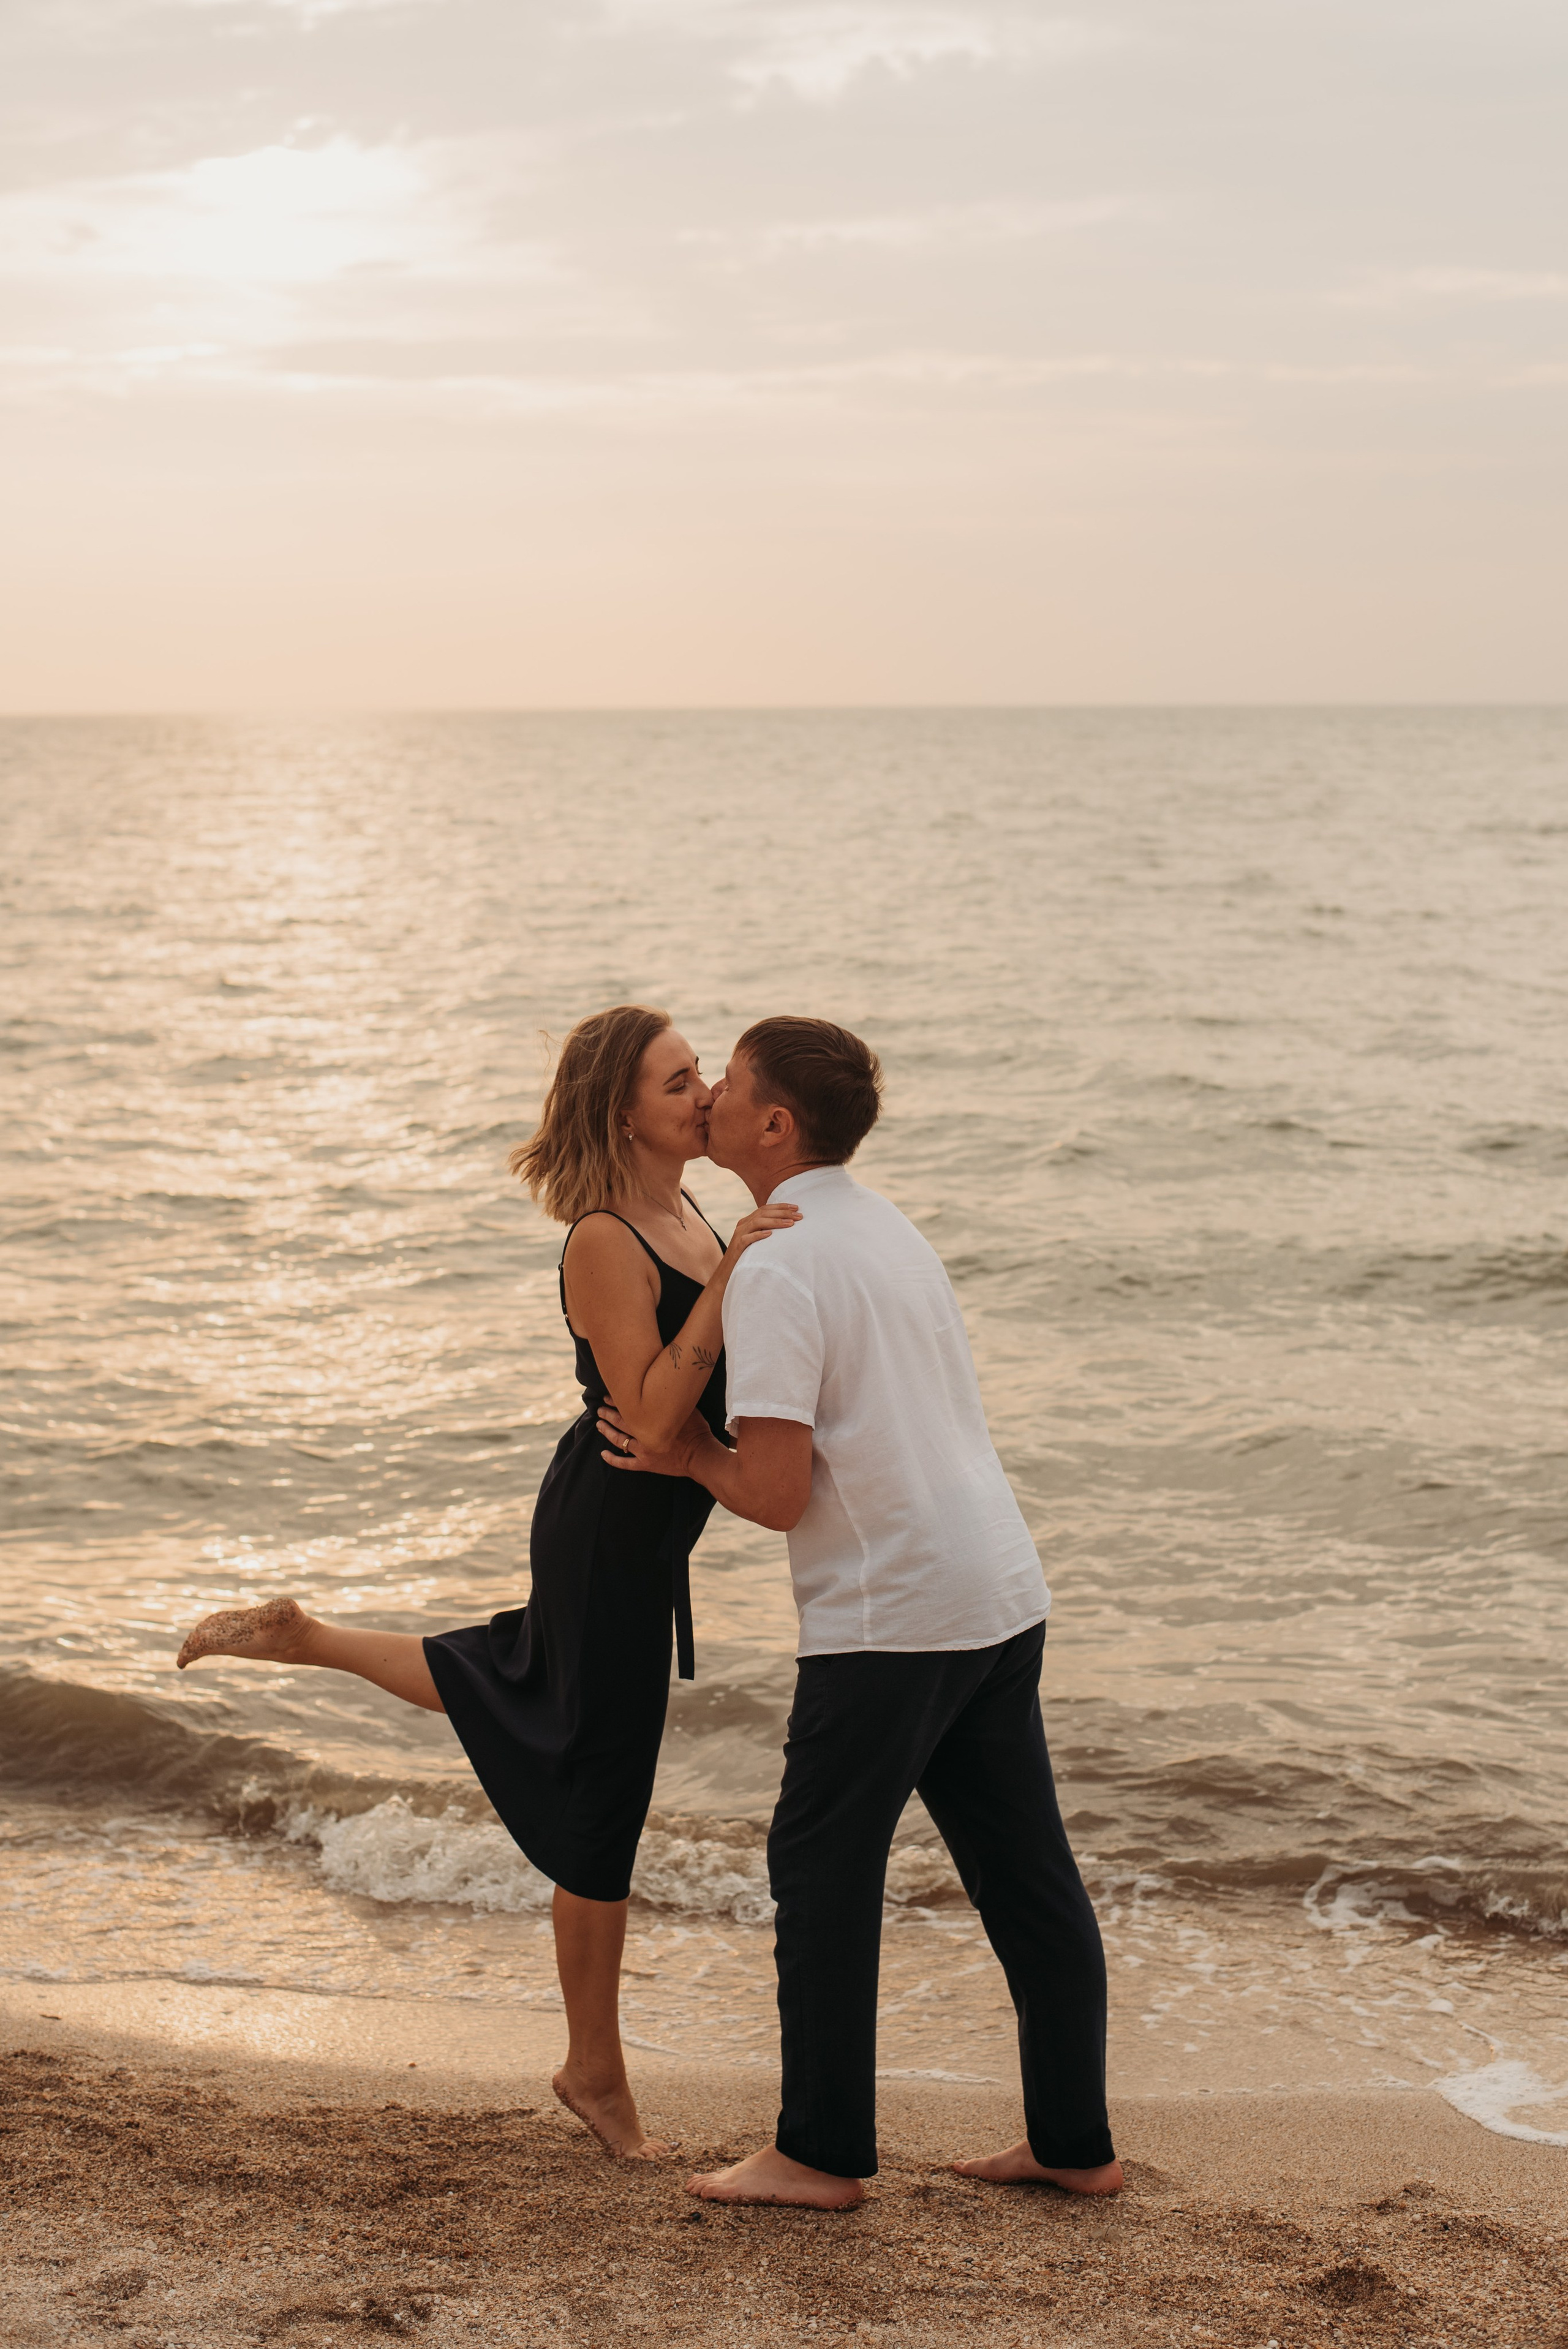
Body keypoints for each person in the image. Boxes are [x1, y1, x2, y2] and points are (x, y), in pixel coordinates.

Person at [175, 1003, 799, 2162]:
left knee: (523, 1677)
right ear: (623, 1113)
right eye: (677, 1082)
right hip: (609, 1526)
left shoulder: (687, 1211)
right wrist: (731, 1281)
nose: (705, 1094)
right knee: (600, 1796)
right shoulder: (605, 1238)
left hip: (639, 1530)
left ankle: (308, 1637)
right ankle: (594, 2071)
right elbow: (653, 1416)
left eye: (700, 1074)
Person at [597, 1015, 1120, 2209]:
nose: (711, 1094)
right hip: (995, 1585)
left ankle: (818, 2153)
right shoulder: (885, 1225)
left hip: (895, 1612)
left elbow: (777, 1494)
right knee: (1026, 1874)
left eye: (730, 1081)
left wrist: (685, 1457)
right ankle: (1073, 2141)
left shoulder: (779, 1262)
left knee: (818, 1864)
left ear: (774, 1124)